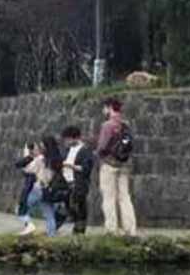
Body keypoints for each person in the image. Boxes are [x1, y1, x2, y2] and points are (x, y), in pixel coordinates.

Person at [95, 97, 137, 235]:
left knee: (109, 197)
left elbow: (102, 146)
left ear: (109, 107)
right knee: (125, 197)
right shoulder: (126, 124)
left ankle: (112, 229)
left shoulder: (108, 125)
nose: (103, 110)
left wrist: (97, 153)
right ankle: (130, 229)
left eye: (105, 108)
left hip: (109, 164)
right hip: (124, 165)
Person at [18, 137, 63, 237]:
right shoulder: (58, 159)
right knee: (49, 215)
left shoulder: (41, 159)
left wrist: (28, 155)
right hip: (49, 190)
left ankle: (29, 225)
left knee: (21, 209)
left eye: (41, 146)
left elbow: (28, 170)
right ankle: (52, 235)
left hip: (38, 188)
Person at [58, 126, 98, 235]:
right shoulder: (67, 150)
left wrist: (70, 165)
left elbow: (85, 169)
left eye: (67, 139)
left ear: (75, 138)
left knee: (79, 208)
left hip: (78, 184)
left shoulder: (85, 151)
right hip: (66, 183)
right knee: (68, 207)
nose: (66, 142)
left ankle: (79, 232)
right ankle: (56, 228)